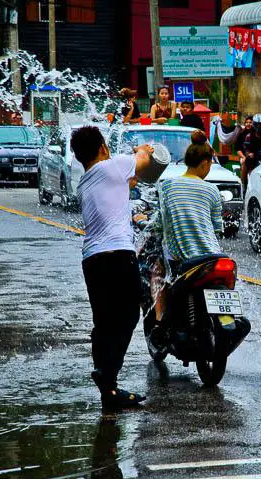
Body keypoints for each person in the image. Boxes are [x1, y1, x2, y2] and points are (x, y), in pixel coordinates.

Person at [72, 125, 155, 410]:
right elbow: (143, 161)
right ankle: (108, 374)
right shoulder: (113, 166)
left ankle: (107, 386)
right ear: (102, 148)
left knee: (104, 322)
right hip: (118, 254)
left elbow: (126, 185)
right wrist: (142, 150)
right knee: (130, 315)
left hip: (92, 259)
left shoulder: (86, 181)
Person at [145, 131, 223, 347]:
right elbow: (217, 229)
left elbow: (161, 223)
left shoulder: (168, 186)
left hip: (182, 257)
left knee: (157, 273)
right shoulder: (213, 190)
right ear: (205, 163)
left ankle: (160, 323)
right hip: (213, 256)